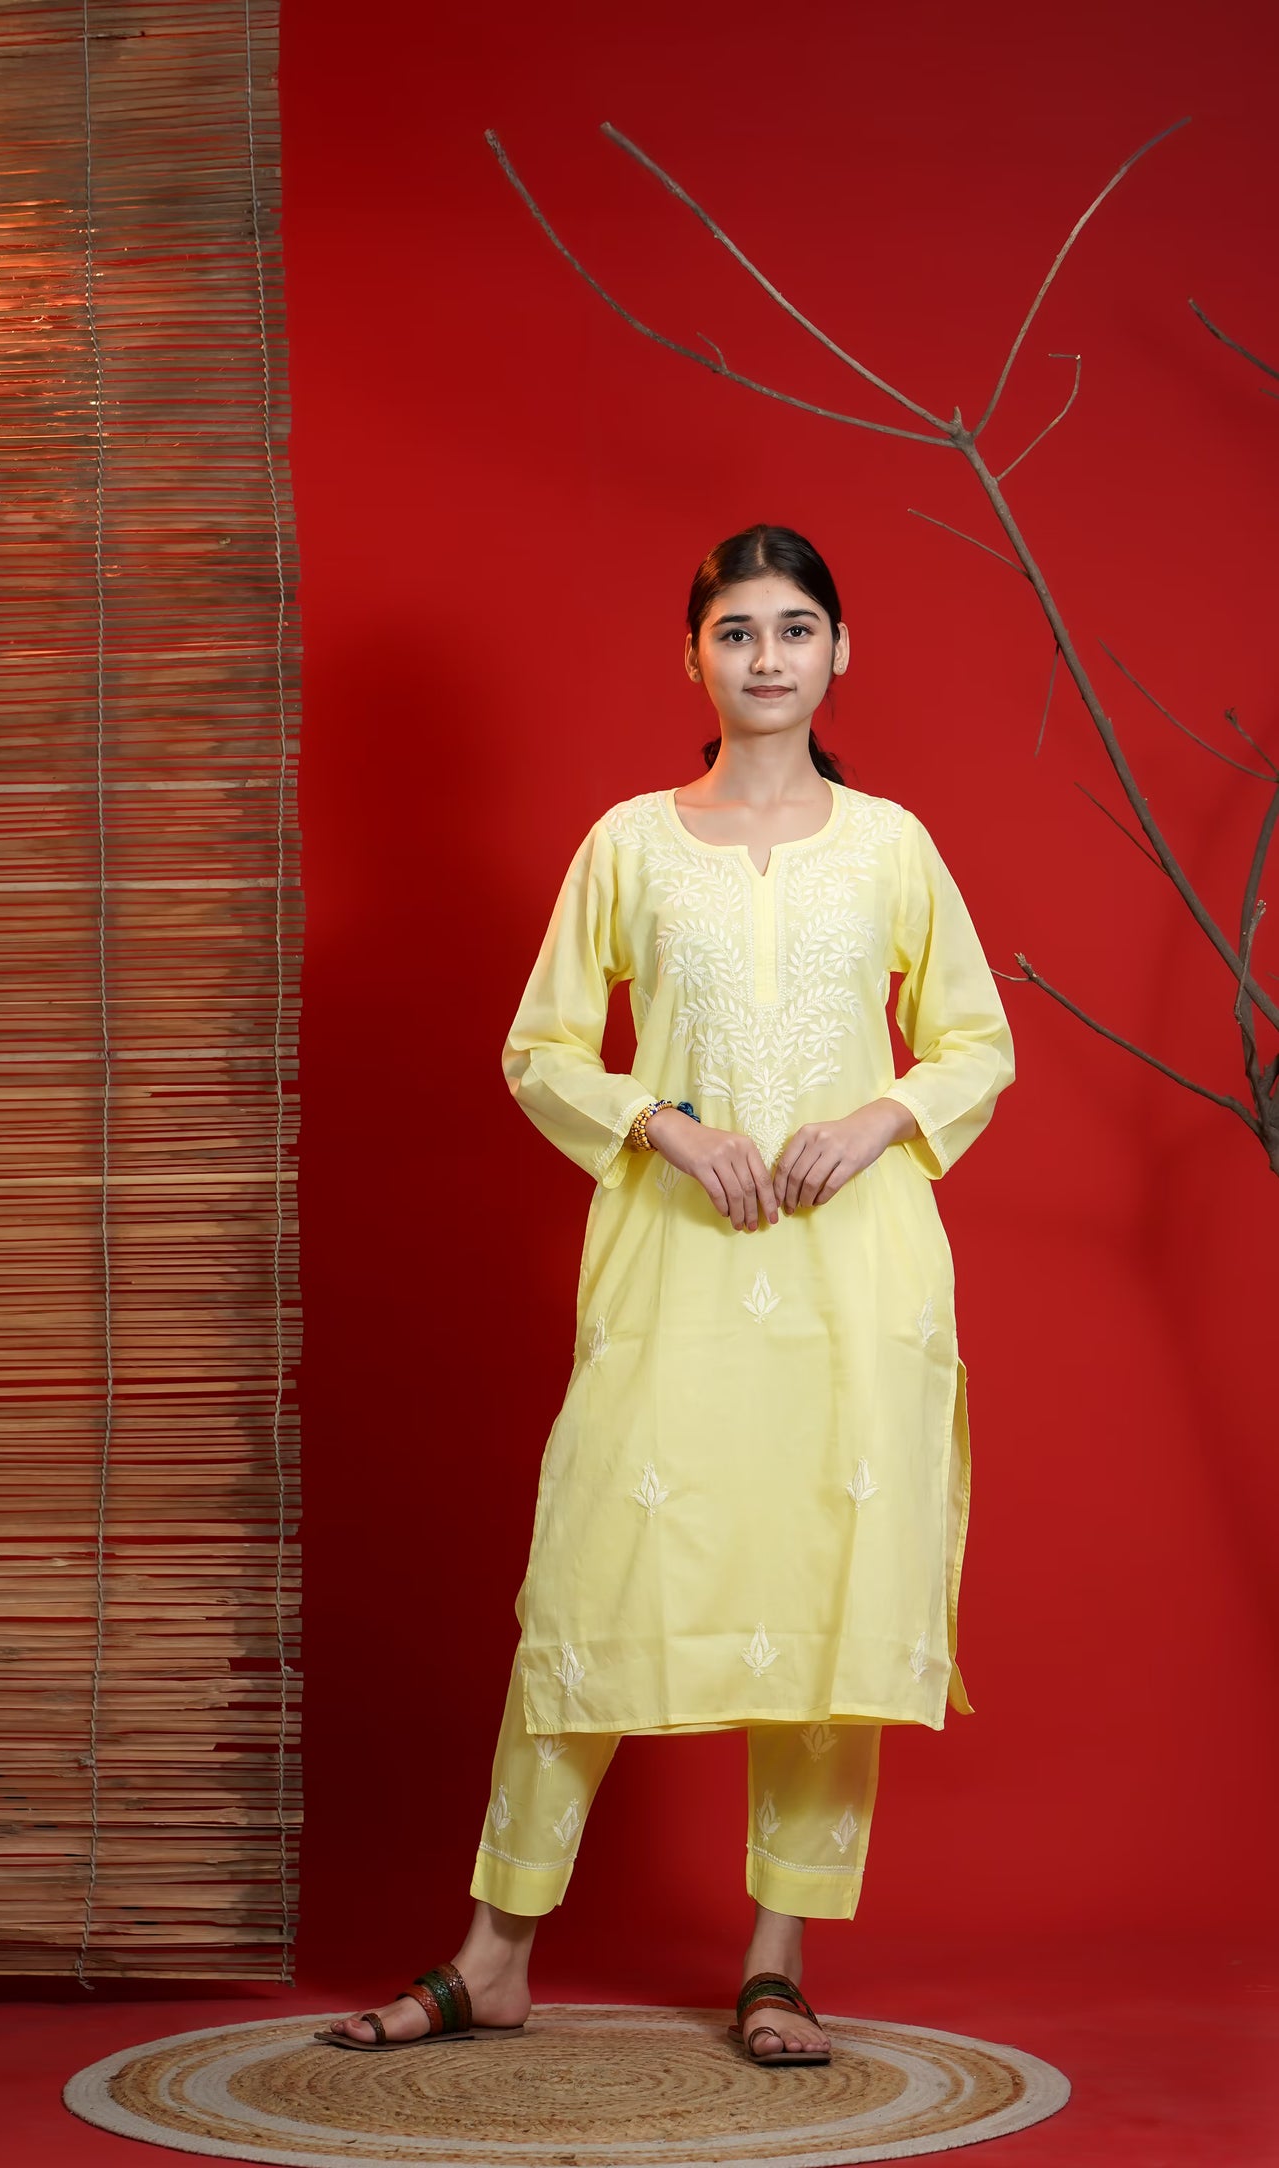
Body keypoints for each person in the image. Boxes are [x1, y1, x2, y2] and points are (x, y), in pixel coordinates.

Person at [320, 522, 1016, 2064]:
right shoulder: (628, 843)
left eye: (793, 629)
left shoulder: (889, 845)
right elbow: (542, 1048)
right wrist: (666, 1124)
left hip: (853, 1266)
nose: (765, 657)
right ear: (689, 656)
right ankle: (494, 1951)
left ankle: (776, 1960)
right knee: (588, 1583)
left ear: (841, 653)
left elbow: (972, 1040)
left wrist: (874, 1117)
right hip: (672, 1262)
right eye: (735, 632)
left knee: (828, 1594)